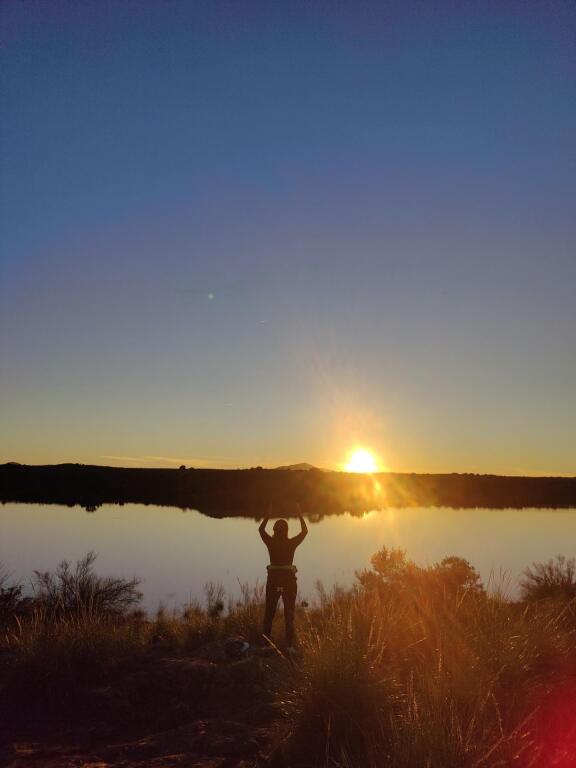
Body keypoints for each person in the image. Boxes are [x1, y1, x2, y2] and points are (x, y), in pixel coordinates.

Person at [259, 505, 308, 648]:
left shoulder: (271, 542)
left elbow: (261, 530)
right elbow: (305, 531)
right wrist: (299, 514)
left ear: (274, 530)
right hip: (289, 581)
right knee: (289, 615)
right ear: (286, 531)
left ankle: (266, 644)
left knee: (269, 613)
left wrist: (268, 515)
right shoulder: (291, 543)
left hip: (273, 581)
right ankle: (289, 646)